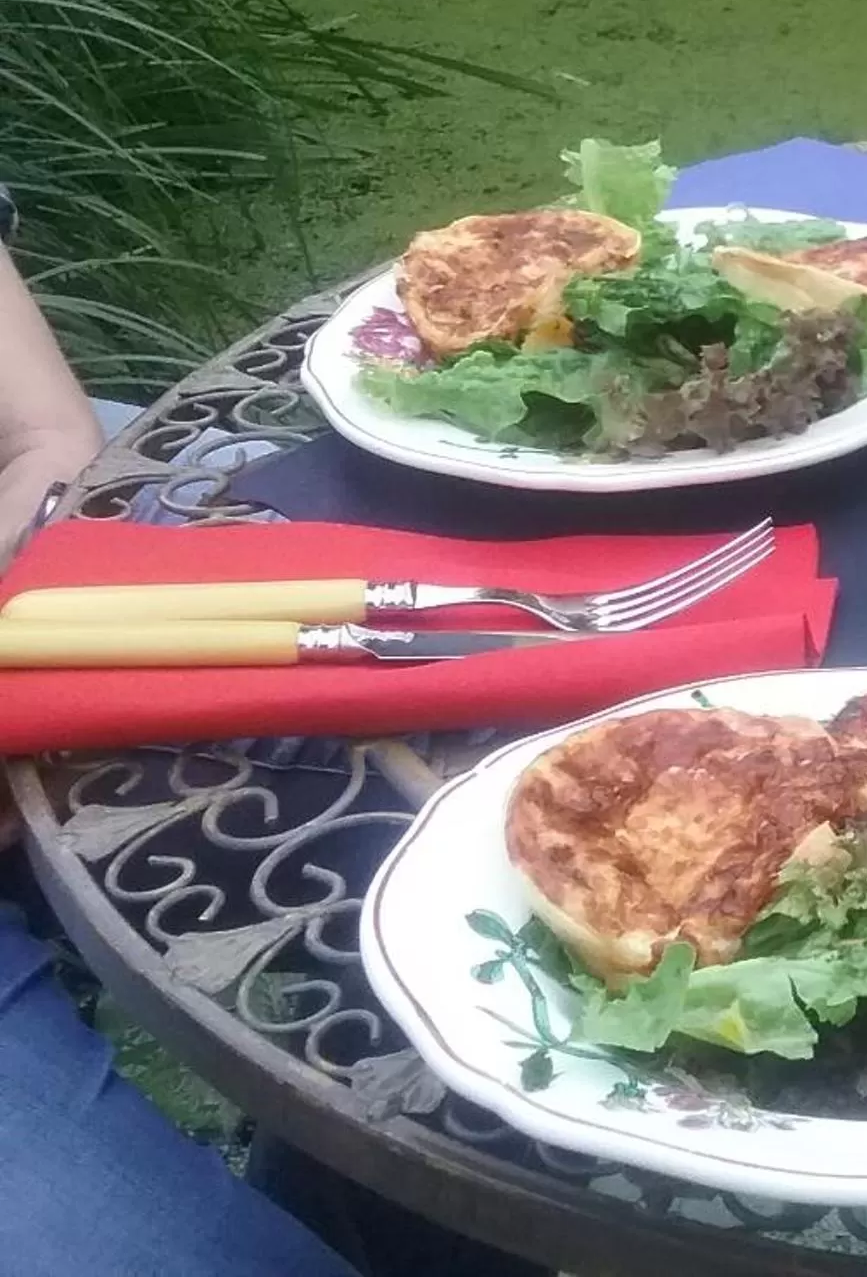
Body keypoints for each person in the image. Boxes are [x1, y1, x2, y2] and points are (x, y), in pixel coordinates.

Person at [0, 191, 537, 1276]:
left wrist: (38, 645)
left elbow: (38, 438)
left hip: (28, 575)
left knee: (492, 761)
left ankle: (362, 1191)